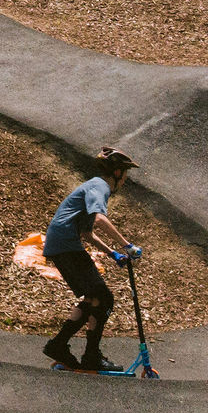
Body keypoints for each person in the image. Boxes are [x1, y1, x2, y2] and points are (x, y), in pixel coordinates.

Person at [40, 147, 137, 371]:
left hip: (63, 243)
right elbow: (101, 219)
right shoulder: (100, 186)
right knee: (104, 298)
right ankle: (88, 354)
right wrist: (127, 245)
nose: (125, 180)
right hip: (65, 244)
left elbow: (87, 232)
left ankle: (60, 345)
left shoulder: (94, 185)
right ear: (117, 173)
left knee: (95, 298)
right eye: (126, 174)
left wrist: (112, 254)